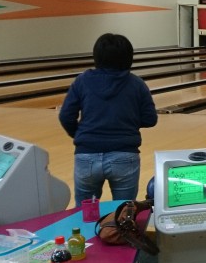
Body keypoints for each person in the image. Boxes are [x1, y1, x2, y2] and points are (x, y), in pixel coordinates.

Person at [59, 33, 157, 206]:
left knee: (84, 214)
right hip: (124, 156)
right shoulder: (136, 83)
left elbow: (66, 116)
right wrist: (127, 122)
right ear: (129, 57)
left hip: (86, 156)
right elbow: (150, 119)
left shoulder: (82, 81)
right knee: (124, 213)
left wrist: (82, 135)